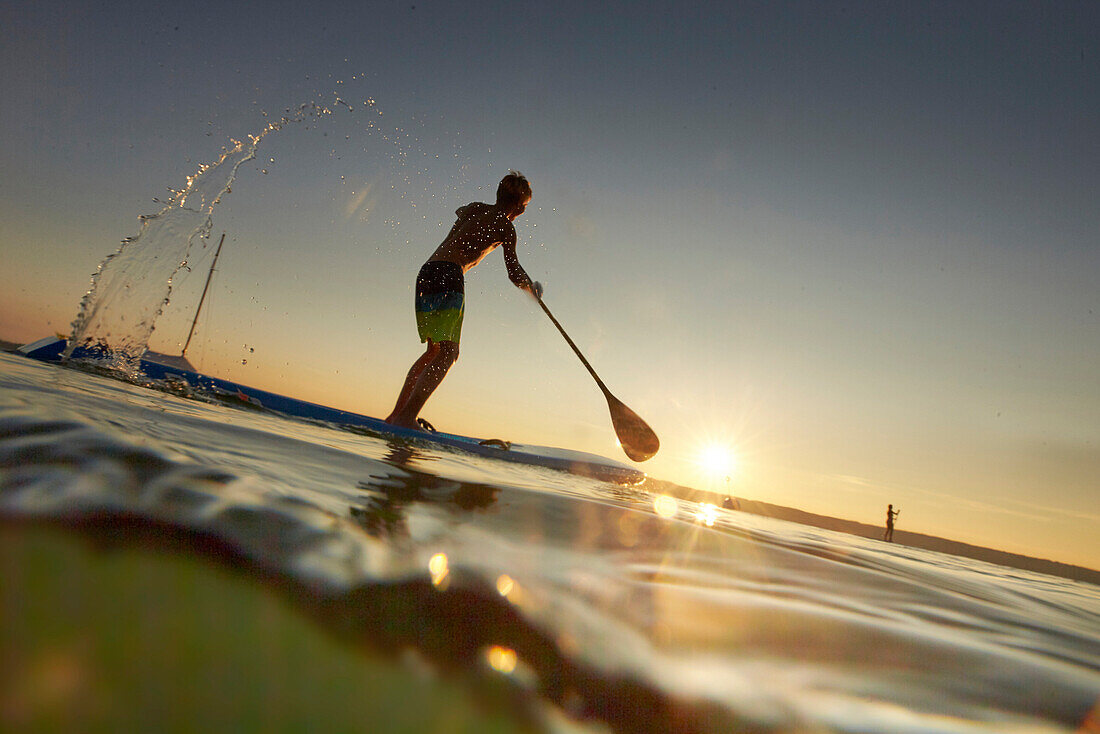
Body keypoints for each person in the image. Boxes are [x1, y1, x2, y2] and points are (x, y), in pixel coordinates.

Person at [385, 171, 542, 430]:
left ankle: (396, 416)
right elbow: (514, 272)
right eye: (524, 207)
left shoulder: (474, 208)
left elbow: (462, 212)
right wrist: (531, 289)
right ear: (516, 206)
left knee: (433, 351)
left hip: (427, 271)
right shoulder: (505, 226)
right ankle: (405, 418)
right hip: (449, 274)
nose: (523, 213)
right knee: (449, 353)